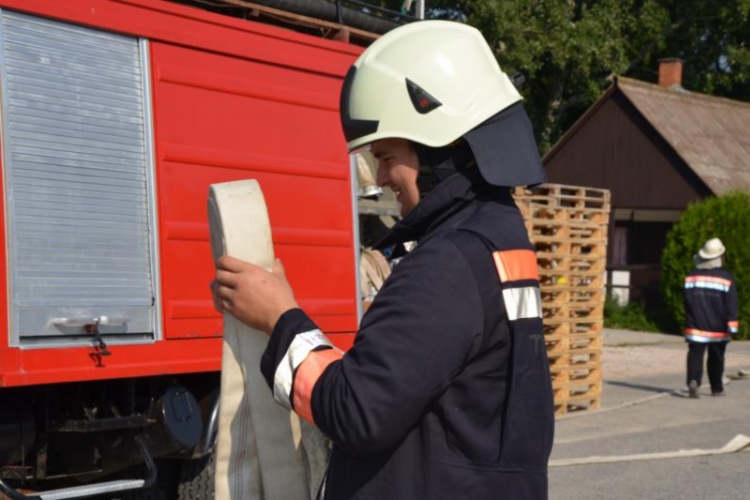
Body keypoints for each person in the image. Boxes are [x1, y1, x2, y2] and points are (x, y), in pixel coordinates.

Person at [213, 20, 554, 500]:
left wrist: (279, 319)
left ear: (441, 141)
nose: (381, 177)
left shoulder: (450, 262)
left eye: (388, 154)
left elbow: (358, 410)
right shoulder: (498, 236)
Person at [683, 237, 739, 398]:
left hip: (695, 326)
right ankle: (716, 388)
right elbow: (731, 304)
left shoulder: (691, 276)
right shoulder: (726, 278)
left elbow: (687, 301)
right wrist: (733, 327)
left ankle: (693, 381)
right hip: (718, 327)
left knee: (695, 355)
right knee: (716, 358)